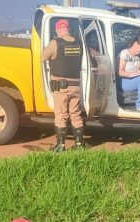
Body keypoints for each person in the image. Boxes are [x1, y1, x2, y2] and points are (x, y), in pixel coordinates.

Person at [40, 18, 87, 151]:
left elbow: (43, 57)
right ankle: (79, 145)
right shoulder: (79, 43)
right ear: (68, 29)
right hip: (76, 86)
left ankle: (60, 146)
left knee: (61, 115)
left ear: (57, 30)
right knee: (75, 114)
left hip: (61, 87)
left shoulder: (55, 43)